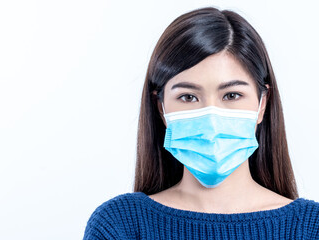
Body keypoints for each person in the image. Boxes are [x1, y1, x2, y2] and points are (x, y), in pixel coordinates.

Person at [83, 7, 319, 239]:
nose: (211, 119)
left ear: (262, 104)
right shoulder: (120, 226)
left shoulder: (310, 227)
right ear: (161, 109)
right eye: (188, 97)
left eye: (231, 95)